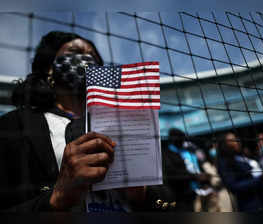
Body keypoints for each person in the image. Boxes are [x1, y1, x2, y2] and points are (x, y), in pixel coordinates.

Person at [0, 31, 174, 212]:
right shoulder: (14, 126)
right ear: (49, 68)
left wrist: (139, 192)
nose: (86, 59)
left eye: (92, 56)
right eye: (74, 51)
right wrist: (57, 197)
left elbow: (171, 203)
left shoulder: (129, 127)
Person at [217, 132, 263, 211]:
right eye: (232, 140)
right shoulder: (224, 162)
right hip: (251, 205)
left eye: (236, 138)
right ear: (224, 145)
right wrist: (260, 179)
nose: (237, 141)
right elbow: (233, 186)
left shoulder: (242, 156)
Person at [163, 128, 211, 211]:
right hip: (184, 197)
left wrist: (205, 180)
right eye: (180, 138)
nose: (183, 140)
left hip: (202, 192)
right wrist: (194, 177)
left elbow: (198, 166)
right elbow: (172, 174)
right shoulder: (167, 154)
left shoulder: (189, 150)